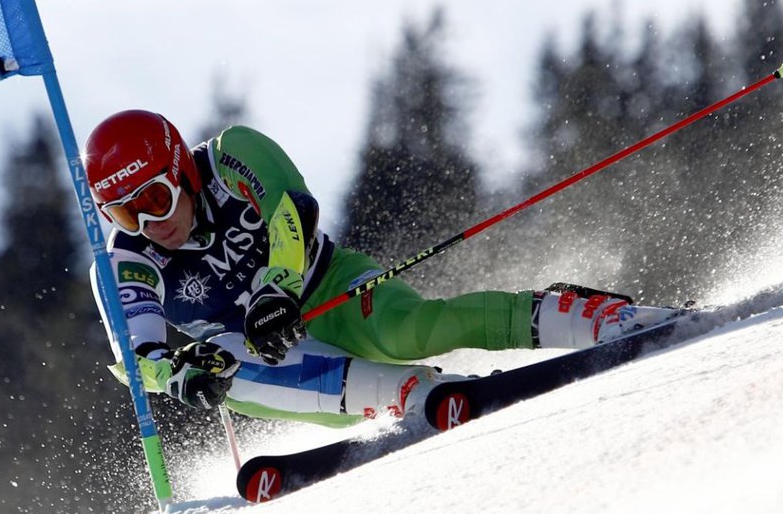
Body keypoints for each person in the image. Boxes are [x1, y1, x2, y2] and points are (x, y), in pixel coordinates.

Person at [85, 110, 680, 428]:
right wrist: (177, 373)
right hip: (264, 358)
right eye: (125, 212)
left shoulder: (230, 155)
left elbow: (291, 210)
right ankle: (411, 394)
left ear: (181, 172)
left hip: (328, 288)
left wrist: (277, 287)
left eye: (157, 199)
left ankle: (592, 318)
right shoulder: (125, 260)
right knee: (228, 373)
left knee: (408, 332)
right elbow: (136, 358)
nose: (149, 223)